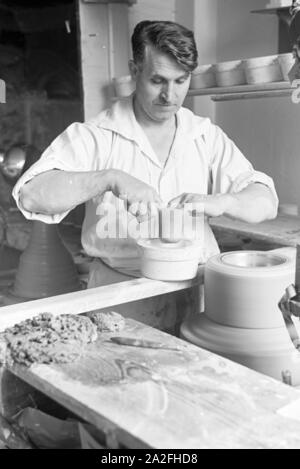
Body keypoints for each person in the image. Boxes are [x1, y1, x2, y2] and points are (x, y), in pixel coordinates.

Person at [13, 20, 278, 333]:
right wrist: (109, 178)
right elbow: (32, 194)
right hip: (119, 300)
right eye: (158, 80)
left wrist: (225, 201)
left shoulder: (204, 136)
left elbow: (265, 201)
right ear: (134, 70)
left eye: (181, 80)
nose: (171, 95)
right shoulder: (96, 136)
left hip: (196, 293)